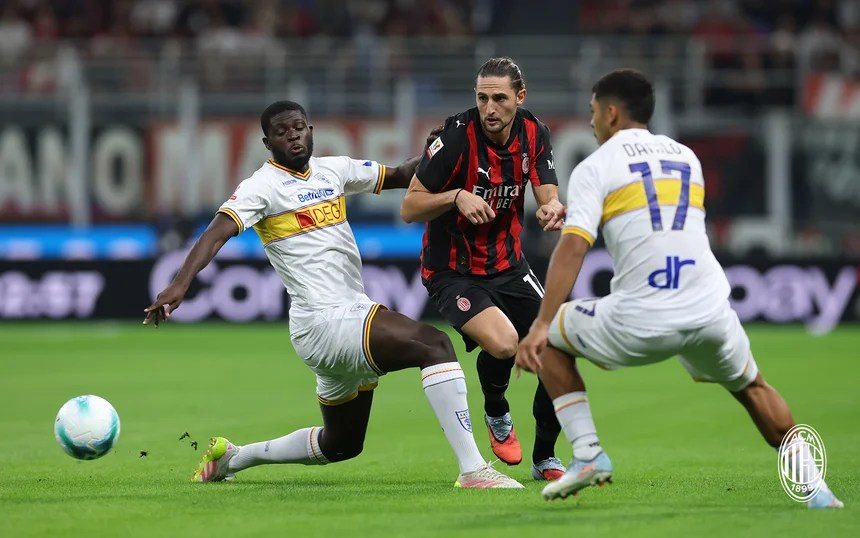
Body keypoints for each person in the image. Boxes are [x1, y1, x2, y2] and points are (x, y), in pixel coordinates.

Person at [143, 100, 523, 489]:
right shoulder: (262, 186)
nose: (293, 136)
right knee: (435, 345)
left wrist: (434, 152)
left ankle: (233, 457)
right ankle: (473, 469)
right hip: (324, 321)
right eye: (281, 132)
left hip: (342, 318)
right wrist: (180, 282)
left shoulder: (333, 169)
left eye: (298, 127)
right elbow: (216, 232)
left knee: (341, 444)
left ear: (310, 130)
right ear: (267, 143)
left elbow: (400, 175)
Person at [516, 69, 844, 508]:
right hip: (708, 309)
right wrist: (582, 208)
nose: (591, 122)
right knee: (753, 386)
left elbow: (574, 248)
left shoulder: (597, 165)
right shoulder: (685, 157)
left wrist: (539, 326)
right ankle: (817, 492)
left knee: (551, 338)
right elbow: (654, 207)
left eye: (593, 112)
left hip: (643, 317)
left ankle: (588, 453)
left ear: (611, 113)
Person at [400, 57, 566, 481]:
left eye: (499, 98)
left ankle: (545, 457)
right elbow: (410, 207)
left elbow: (546, 189)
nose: (490, 108)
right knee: (506, 343)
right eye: (482, 98)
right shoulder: (455, 138)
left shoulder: (535, 132)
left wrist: (550, 208)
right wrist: (455, 196)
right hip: (452, 270)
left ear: (520, 97)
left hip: (509, 264)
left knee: (560, 351)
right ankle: (496, 409)